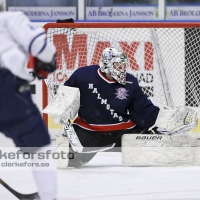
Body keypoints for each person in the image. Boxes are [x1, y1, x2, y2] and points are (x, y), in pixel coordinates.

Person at [63, 47, 160, 167]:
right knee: (68, 161)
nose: (122, 69)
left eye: (124, 65)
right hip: (89, 131)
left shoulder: (131, 82)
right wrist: (60, 107)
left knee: (152, 154)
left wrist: (160, 121)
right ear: (106, 65)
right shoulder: (83, 76)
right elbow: (65, 95)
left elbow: (143, 109)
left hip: (122, 132)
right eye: (119, 66)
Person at [0, 11, 57, 200]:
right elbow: (40, 45)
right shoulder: (9, 18)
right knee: (39, 147)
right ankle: (48, 197)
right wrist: (47, 61)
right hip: (6, 91)